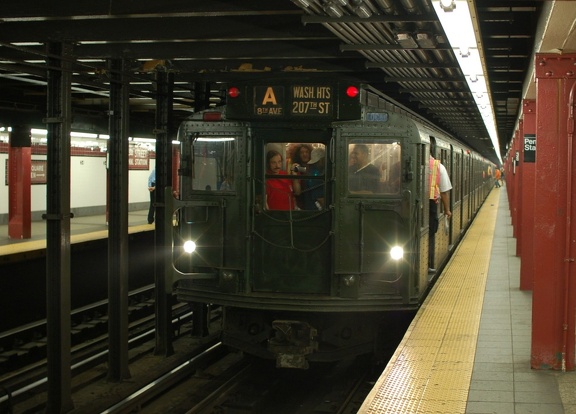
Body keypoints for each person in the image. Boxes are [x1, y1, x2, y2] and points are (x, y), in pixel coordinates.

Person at [428, 142, 452, 274]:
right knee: (430, 233)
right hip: (430, 205)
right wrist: (447, 210)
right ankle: (428, 264)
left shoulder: (400, 162)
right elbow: (444, 192)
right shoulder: (438, 166)